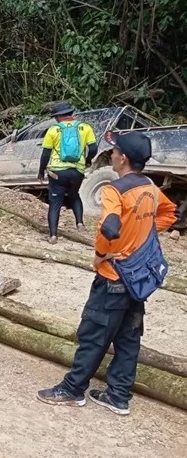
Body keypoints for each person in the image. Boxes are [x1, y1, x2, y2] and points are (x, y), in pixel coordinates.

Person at [37, 132, 176, 415]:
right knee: (128, 337)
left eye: (113, 151)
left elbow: (108, 228)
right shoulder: (149, 186)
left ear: (122, 158)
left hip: (113, 275)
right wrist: (141, 239)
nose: (111, 154)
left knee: (94, 333)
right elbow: (169, 213)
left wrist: (103, 255)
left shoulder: (115, 190)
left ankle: (73, 389)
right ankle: (118, 396)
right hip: (138, 277)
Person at [37, 101, 98, 244]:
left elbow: (46, 154)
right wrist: (87, 160)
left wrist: (41, 171)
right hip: (77, 171)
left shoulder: (53, 130)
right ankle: (80, 223)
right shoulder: (85, 127)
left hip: (58, 172)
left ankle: (53, 236)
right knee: (74, 194)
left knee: (55, 202)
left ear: (58, 116)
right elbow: (93, 148)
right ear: (71, 113)